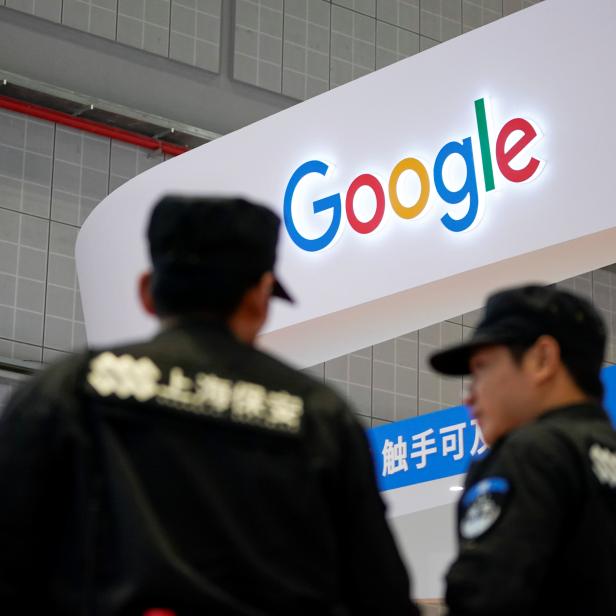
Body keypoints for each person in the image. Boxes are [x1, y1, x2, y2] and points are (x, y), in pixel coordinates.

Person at [0, 195, 418, 616]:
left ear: (148, 292)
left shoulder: (68, 390)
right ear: (260, 297)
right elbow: (379, 592)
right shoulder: (317, 415)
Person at [429, 284, 616, 615]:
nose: (469, 397)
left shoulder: (531, 454)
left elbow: (485, 598)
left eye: (481, 369)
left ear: (542, 358)